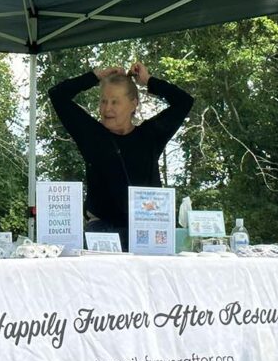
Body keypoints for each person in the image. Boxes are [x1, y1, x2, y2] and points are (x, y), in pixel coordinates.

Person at [48, 62, 193, 248]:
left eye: (115, 102)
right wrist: (96, 76)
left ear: (133, 104)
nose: (107, 109)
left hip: (148, 232)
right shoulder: (92, 135)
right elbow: (58, 95)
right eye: (103, 101)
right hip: (102, 231)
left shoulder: (150, 135)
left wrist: (148, 80)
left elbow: (184, 101)